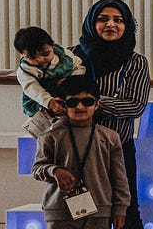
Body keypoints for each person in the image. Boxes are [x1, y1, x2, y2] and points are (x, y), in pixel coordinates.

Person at [70, 0, 151, 229]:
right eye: (102, 19)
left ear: (127, 26)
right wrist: (98, 104)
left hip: (118, 148)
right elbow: (58, 99)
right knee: (79, 211)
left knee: (126, 212)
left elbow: (135, 106)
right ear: (91, 23)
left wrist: (90, 103)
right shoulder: (71, 57)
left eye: (118, 20)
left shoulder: (135, 62)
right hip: (75, 149)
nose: (111, 25)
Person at [30, 75, 129, 229]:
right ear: (63, 104)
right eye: (72, 102)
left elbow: (119, 177)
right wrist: (54, 170)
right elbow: (37, 169)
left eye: (87, 102)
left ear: (97, 104)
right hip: (60, 210)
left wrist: (120, 209)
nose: (80, 107)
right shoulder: (50, 136)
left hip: (100, 210)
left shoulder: (110, 137)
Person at [14, 26, 85, 137]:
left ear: (52, 45)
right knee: (45, 134)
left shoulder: (65, 56)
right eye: (32, 57)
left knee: (68, 129)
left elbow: (79, 67)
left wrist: (72, 80)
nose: (40, 59)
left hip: (66, 93)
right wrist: (48, 102)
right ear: (22, 55)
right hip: (40, 100)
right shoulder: (26, 70)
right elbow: (32, 89)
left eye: (45, 54)